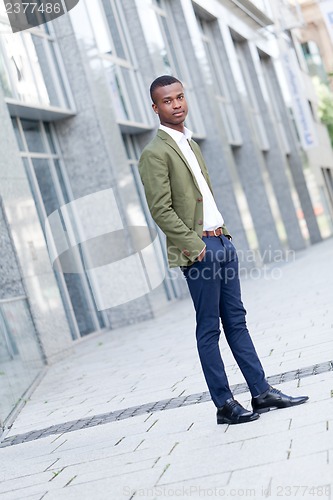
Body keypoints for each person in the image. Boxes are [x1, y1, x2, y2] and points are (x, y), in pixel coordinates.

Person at [138, 75, 308, 425]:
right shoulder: (154, 153)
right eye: (167, 101)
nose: (177, 104)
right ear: (155, 108)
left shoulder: (192, 144)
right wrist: (196, 247)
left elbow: (203, 196)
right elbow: (161, 209)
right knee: (208, 328)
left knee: (237, 321)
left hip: (221, 242)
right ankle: (224, 404)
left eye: (180, 97)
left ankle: (261, 392)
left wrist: (223, 238)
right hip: (199, 250)